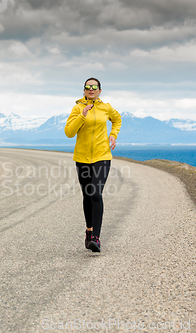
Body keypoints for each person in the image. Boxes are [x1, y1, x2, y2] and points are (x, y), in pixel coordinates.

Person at [64, 78, 122, 252]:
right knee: (87, 195)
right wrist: (82, 116)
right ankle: (89, 230)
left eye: (94, 87)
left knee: (96, 193)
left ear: (100, 90)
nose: (91, 89)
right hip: (82, 158)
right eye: (88, 87)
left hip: (102, 156)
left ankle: (96, 237)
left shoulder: (107, 107)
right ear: (84, 90)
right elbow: (69, 132)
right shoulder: (77, 108)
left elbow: (117, 119)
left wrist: (113, 135)